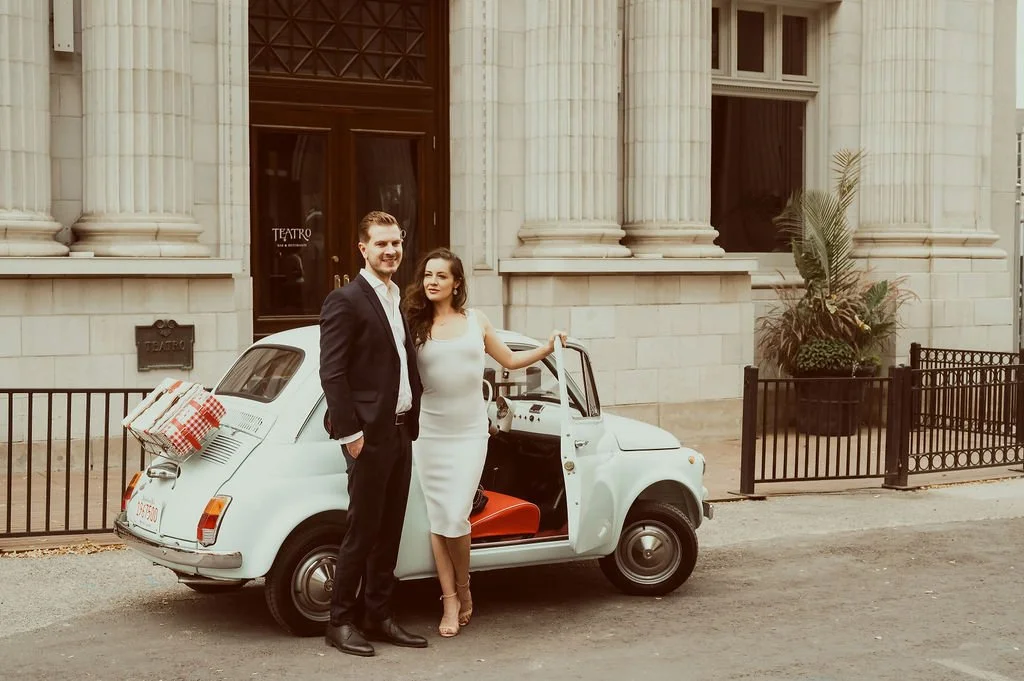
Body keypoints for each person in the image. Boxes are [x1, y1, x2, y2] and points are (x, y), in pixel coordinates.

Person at [401, 247, 566, 638]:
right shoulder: (414, 324)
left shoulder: (477, 320)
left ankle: (463, 586)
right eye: (427, 274)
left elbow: (509, 361)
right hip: (429, 433)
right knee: (439, 520)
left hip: (469, 432)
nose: (432, 281)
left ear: (457, 282)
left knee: (456, 517)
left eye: (441, 275)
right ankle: (451, 598)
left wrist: (546, 347)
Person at [319, 210, 427, 657]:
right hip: (368, 437)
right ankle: (340, 621)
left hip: (401, 432)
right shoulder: (345, 299)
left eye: (395, 243)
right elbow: (333, 372)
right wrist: (350, 435)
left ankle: (378, 615)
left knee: (390, 531)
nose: (390, 251)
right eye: (380, 244)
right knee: (361, 532)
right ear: (362, 249)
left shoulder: (396, 297)